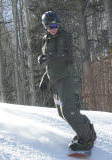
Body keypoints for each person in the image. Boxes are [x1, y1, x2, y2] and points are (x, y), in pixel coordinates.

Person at [38, 11, 96, 151]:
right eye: (50, 27)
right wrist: (44, 79)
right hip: (55, 80)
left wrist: (47, 58)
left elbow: (66, 56)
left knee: (68, 109)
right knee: (61, 112)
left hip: (65, 77)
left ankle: (86, 140)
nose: (54, 29)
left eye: (56, 25)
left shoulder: (64, 35)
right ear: (45, 27)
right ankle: (86, 129)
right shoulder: (46, 39)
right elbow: (50, 64)